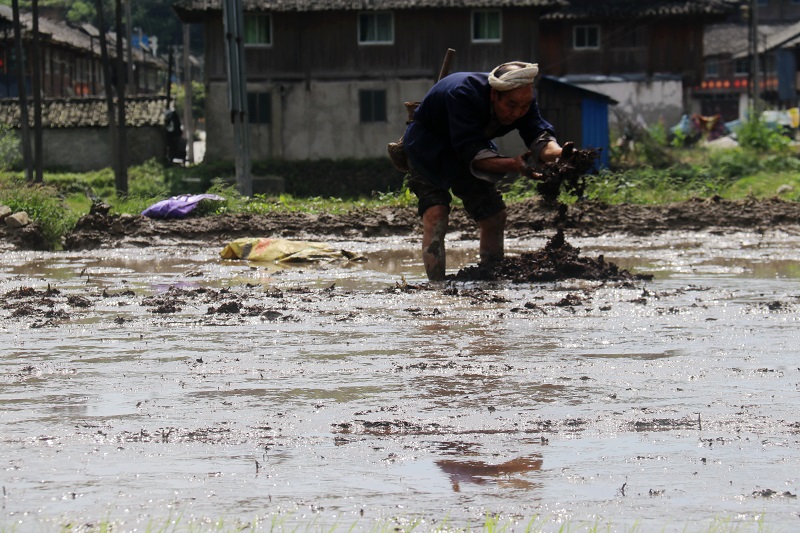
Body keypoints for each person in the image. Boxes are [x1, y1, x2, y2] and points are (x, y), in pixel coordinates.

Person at [403, 61, 567, 281]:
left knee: (494, 215)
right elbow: (474, 155)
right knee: (436, 213)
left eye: (524, 106)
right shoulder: (463, 94)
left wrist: (560, 155)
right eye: (511, 105)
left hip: (472, 146)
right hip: (429, 148)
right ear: (493, 95)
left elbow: (539, 138)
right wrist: (515, 165)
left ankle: (492, 275)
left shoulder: (523, 101)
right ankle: (437, 285)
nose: (517, 112)